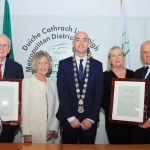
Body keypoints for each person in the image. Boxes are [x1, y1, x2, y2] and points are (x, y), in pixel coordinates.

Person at [56, 31, 103, 144]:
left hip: (89, 120)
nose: (81, 43)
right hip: (68, 119)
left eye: (84, 40)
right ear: (73, 43)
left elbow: (99, 93)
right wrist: (71, 118)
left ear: (89, 44)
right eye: (77, 40)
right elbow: (62, 93)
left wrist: (91, 118)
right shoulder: (63, 64)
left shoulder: (97, 65)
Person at [21, 50, 59, 143]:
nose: (43, 66)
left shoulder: (52, 83)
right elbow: (23, 109)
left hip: (49, 134)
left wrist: (54, 127)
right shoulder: (27, 82)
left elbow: (57, 107)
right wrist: (26, 132)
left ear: (49, 65)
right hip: (32, 132)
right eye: (40, 63)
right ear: (35, 65)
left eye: (46, 63)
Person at [101, 46, 134, 144]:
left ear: (123, 57)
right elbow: (101, 99)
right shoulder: (104, 76)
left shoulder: (133, 74)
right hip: (113, 121)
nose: (117, 58)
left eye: (119, 55)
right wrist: (115, 110)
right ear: (109, 59)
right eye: (113, 55)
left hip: (132, 119)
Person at [0, 34, 24, 142]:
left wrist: (16, 116)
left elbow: (20, 95)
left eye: (5, 45)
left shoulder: (17, 68)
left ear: (9, 49)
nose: (1, 48)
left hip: (9, 123)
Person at [131, 40, 150, 144]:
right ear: (140, 54)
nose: (148, 55)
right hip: (137, 127)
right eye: (144, 52)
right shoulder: (137, 73)